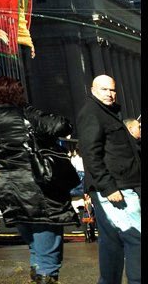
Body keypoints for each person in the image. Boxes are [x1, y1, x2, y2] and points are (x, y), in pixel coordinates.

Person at [0, 76, 78, 283]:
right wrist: (31, 111)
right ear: (17, 93)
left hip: (9, 187)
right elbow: (62, 125)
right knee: (48, 251)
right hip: (38, 187)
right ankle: (45, 277)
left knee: (36, 247)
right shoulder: (25, 113)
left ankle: (39, 276)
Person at [77, 75, 141, 284]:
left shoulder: (107, 113)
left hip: (117, 186)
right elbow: (90, 154)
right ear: (92, 90)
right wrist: (108, 186)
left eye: (112, 90)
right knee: (136, 238)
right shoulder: (92, 113)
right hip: (116, 188)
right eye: (104, 89)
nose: (110, 94)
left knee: (112, 243)